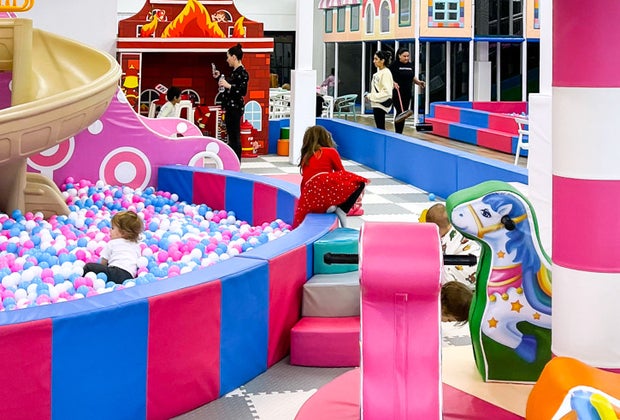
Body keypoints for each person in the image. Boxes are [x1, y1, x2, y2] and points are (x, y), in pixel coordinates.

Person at [293, 126, 368, 228]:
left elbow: (305, 182)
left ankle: (327, 206)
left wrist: (304, 199)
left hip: (310, 195)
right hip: (323, 188)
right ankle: (342, 209)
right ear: (325, 138)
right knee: (360, 182)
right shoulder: (330, 151)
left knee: (323, 183)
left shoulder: (306, 156)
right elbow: (342, 173)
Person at [423, 203, 480, 288]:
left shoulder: (446, 240)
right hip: (479, 264)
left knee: (439, 274)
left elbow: (440, 259)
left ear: (437, 229)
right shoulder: (460, 228)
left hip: (467, 271)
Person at [84, 210, 143, 284]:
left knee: (88, 267)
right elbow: (138, 263)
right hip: (129, 277)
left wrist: (101, 269)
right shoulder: (136, 246)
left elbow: (103, 262)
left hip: (115, 273)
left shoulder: (112, 243)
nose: (110, 230)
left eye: (112, 228)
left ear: (122, 233)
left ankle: (83, 279)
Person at [213, 43, 249, 161]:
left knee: (234, 135)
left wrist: (228, 85)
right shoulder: (235, 72)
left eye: (228, 57)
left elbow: (242, 91)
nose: (227, 60)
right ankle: (232, 159)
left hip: (235, 109)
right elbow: (230, 84)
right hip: (230, 108)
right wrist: (219, 78)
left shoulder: (242, 73)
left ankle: (236, 160)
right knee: (231, 135)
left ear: (234, 57)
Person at [389, 47, 426, 134]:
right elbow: (388, 77)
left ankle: (400, 132)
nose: (406, 58)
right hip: (397, 92)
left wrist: (419, 82)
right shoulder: (394, 65)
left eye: (407, 56)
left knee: (404, 113)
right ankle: (398, 132)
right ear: (399, 56)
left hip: (407, 92)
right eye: (404, 56)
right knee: (400, 112)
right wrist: (393, 83)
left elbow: (411, 76)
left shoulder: (409, 65)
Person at [365, 50, 394, 130]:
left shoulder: (386, 73)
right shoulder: (380, 73)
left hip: (380, 104)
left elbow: (387, 92)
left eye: (376, 59)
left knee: (380, 128)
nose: (374, 61)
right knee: (379, 127)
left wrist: (371, 96)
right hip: (377, 104)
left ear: (382, 60)